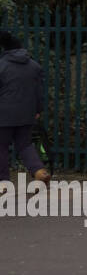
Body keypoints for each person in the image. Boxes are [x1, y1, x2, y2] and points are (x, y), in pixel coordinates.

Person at [0, 31, 49, 184]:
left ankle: (3, 181)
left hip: (4, 114)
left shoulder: (1, 66)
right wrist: (38, 110)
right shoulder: (34, 66)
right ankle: (39, 171)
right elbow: (39, 92)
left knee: (1, 146)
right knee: (25, 144)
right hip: (27, 113)